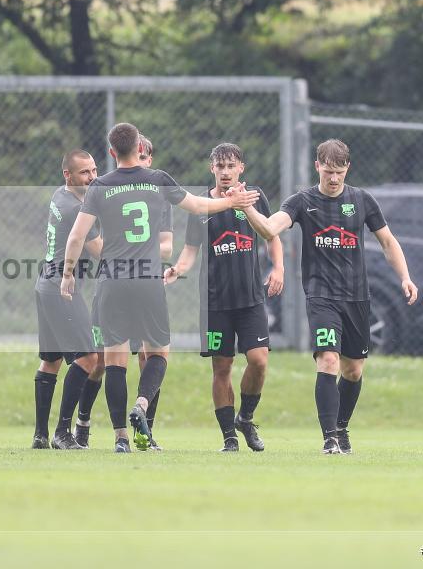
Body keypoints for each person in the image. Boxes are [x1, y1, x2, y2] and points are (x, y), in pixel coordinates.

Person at [61, 122, 259, 453]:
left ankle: (121, 438)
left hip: (111, 281)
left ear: (112, 152)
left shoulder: (100, 186)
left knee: (115, 360)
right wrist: (231, 203)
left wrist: (68, 274)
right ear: (140, 148)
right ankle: (141, 403)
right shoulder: (158, 179)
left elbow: (77, 237)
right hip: (147, 279)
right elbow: (198, 206)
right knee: (158, 352)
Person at [240, 139, 418, 454]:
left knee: (354, 369)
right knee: (328, 359)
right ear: (317, 166)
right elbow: (269, 229)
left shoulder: (362, 200)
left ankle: (342, 427)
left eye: (339, 172)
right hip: (321, 296)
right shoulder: (302, 201)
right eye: (328, 171)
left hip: (357, 297)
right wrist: (247, 207)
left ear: (347, 168)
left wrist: (405, 277)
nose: (333, 178)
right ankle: (330, 439)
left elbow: (388, 242)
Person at [164, 143, 284, 452]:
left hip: (251, 299)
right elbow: (191, 251)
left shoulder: (254, 197)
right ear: (212, 169)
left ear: (241, 168)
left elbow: (271, 235)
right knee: (222, 368)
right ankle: (229, 437)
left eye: (231, 166)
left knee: (259, 361)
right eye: (220, 167)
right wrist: (178, 269)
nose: (226, 172)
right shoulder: (202, 206)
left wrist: (279, 268)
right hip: (216, 302)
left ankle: (245, 417)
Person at [75, 134, 172, 451]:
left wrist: (128, 251)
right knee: (102, 360)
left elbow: (168, 245)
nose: (141, 164)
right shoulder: (110, 191)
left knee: (146, 358)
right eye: (137, 156)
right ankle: (83, 423)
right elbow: (92, 243)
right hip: (123, 281)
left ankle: (142, 433)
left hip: (129, 280)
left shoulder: (155, 192)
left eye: (146, 158)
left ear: (149, 161)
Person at [32, 149, 102, 450]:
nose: (92, 177)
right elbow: (101, 249)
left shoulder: (60, 196)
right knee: (88, 358)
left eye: (95, 170)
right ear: (68, 175)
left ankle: (40, 435)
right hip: (62, 288)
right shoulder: (77, 208)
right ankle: (62, 432)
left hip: (45, 285)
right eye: (85, 172)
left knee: (52, 361)